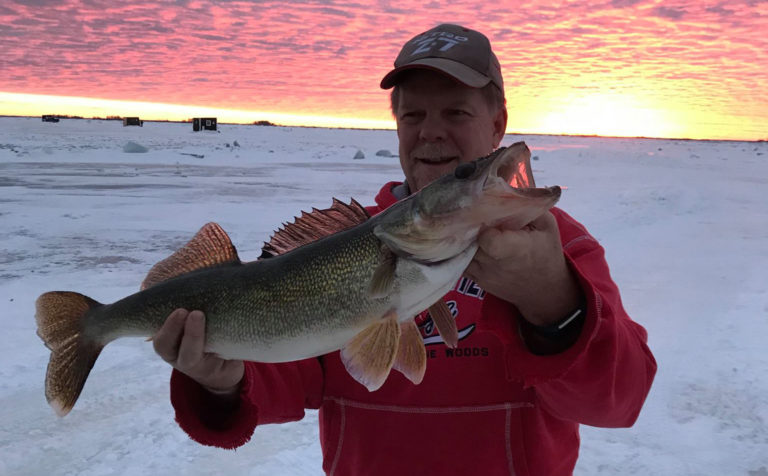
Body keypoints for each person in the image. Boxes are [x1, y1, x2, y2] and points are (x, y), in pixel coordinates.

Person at [152, 24, 657, 476]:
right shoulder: (342, 246)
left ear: (498, 125)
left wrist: (553, 303)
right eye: (412, 114)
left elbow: (619, 401)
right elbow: (287, 377)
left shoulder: (557, 246)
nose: (431, 131)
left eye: (456, 112)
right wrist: (223, 381)